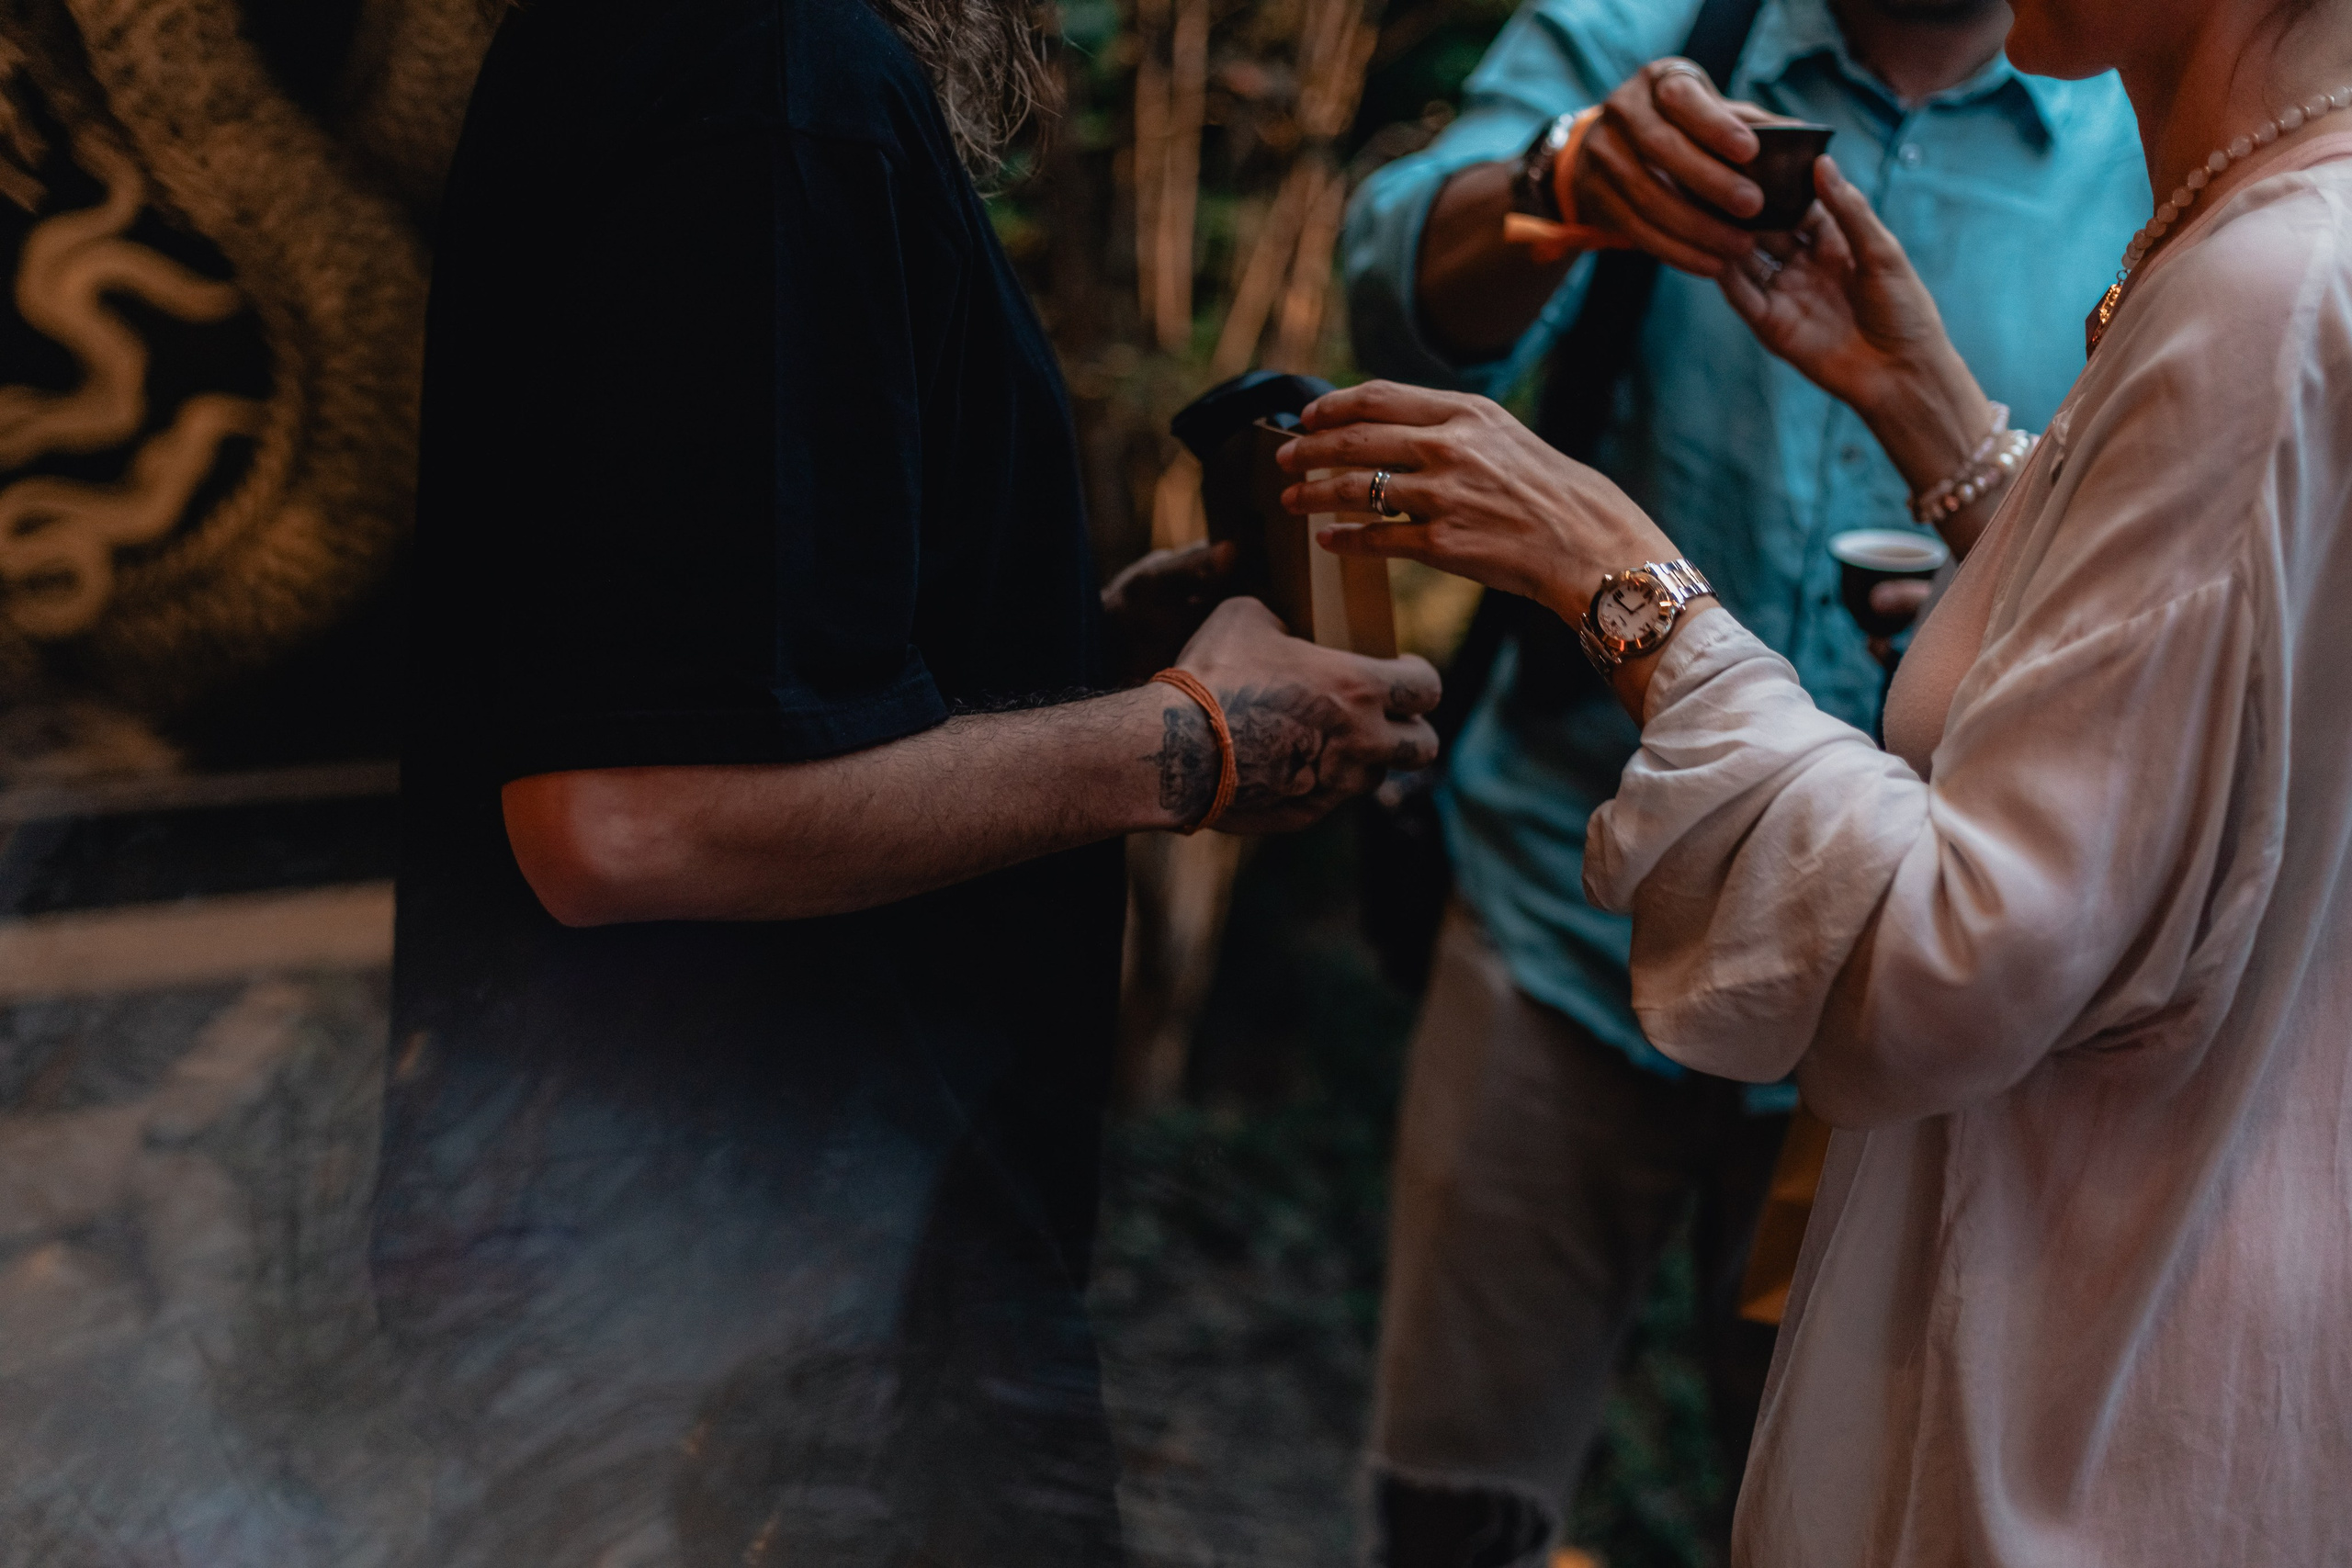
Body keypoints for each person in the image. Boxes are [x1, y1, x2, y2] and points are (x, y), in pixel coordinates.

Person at [1280, 0, 2352, 1553]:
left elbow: (1962, 948)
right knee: (1457, 1499)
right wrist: (1931, 414)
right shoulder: (2283, 218)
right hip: (1562, 927)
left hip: (2045, 1250)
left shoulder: (2261, 280)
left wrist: (1613, 572)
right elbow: (2192, 693)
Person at [379, 0, 1443, 1556]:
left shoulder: (695, 52)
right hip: (771, 1338)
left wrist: (1073, 645)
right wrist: (1191, 742)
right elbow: (624, 821)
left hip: (739, 1285)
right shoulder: (775, 68)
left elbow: (735, 655)